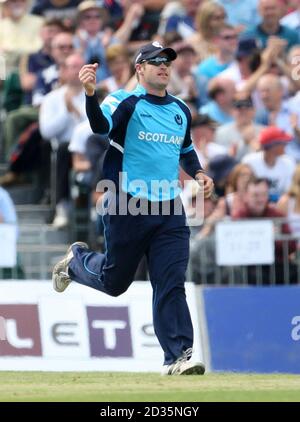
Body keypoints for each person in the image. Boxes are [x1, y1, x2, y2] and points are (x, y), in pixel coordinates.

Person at [52, 41, 214, 375]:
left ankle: (178, 356)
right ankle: (77, 261)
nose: (164, 66)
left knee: (171, 282)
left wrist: (198, 172)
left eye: (167, 61)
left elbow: (185, 150)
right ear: (139, 69)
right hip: (127, 203)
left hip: (169, 208)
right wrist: (89, 94)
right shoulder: (125, 101)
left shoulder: (180, 109)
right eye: (155, 61)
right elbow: (100, 127)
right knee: (115, 283)